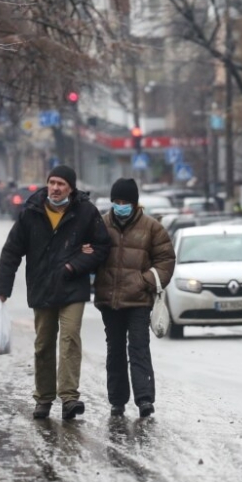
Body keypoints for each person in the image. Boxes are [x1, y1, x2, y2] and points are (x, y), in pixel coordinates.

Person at [0, 165, 111, 420]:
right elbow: (12, 251)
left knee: (70, 338)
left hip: (73, 286)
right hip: (42, 286)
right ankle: (44, 398)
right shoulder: (31, 212)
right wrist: (2, 287)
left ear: (71, 188)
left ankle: (69, 398)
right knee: (43, 343)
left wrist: (74, 264)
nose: (56, 188)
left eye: (61, 184)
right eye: (52, 182)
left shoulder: (85, 212)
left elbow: (102, 247)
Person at [89, 178, 175, 418]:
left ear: (135, 203)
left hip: (139, 301)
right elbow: (91, 254)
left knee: (139, 348)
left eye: (125, 201)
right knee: (114, 350)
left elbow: (166, 261)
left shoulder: (152, 227)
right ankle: (117, 400)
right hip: (109, 300)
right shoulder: (101, 224)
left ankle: (145, 399)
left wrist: (143, 281)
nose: (120, 205)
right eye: (116, 201)